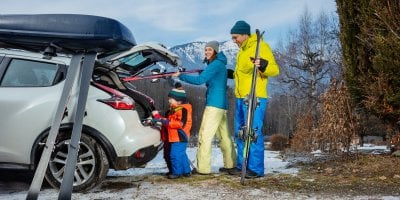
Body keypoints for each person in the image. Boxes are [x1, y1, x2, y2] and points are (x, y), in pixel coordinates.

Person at [174, 41, 236, 175]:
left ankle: (202, 168)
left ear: (215, 51)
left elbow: (199, 80)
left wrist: (181, 76)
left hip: (214, 105)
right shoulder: (219, 64)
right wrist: (206, 70)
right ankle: (231, 165)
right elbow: (210, 76)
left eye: (209, 49)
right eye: (205, 50)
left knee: (204, 136)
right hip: (221, 105)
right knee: (224, 136)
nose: (207, 52)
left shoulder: (215, 65)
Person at [228, 20, 280, 178]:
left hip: (254, 97)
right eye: (232, 38)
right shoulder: (242, 51)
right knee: (241, 133)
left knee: (253, 132)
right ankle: (241, 165)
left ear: (245, 35)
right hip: (240, 97)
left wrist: (264, 65)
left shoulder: (260, 47)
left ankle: (256, 168)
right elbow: (243, 73)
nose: (234, 40)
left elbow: (275, 69)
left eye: (235, 37)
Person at [152, 86, 193, 179]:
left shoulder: (183, 109)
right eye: (169, 98)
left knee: (175, 155)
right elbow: (169, 120)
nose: (169, 101)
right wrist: (158, 118)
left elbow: (180, 124)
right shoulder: (174, 109)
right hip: (174, 136)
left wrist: (165, 122)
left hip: (180, 136)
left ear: (179, 100)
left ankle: (177, 173)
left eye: (171, 99)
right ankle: (186, 171)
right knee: (181, 154)